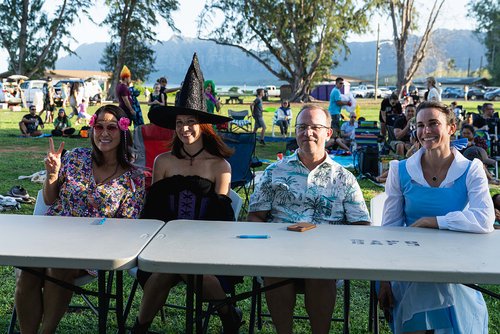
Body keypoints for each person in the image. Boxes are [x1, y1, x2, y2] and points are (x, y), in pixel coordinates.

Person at [132, 54, 242, 334]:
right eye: (179, 122)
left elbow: (221, 217)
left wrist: (194, 246)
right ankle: (139, 329)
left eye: (190, 121)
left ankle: (229, 314)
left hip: (207, 246)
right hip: (164, 244)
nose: (184, 128)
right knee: (162, 272)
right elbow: (154, 211)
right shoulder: (163, 162)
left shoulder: (221, 166)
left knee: (194, 272)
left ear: (203, 125)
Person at [15, 104, 145, 333]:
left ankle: (47, 331)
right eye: (99, 126)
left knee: (59, 267)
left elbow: (128, 225)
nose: (104, 133)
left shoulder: (133, 177)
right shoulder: (76, 157)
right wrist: (53, 174)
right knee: (28, 269)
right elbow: (50, 199)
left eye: (112, 128)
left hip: (94, 246)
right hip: (53, 234)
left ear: (123, 131)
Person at [248, 105, 370, 334]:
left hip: (327, 255)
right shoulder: (275, 171)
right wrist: (266, 244)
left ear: (328, 133)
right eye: (302, 127)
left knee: (321, 270)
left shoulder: (344, 178)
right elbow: (255, 215)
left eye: (315, 127)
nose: (308, 133)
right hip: (279, 252)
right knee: (275, 270)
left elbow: (361, 225)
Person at [378, 101, 494, 334]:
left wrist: (434, 221)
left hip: (455, 263)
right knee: (427, 284)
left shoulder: (471, 170)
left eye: (434, 123)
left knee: (439, 284)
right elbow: (389, 229)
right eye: (420, 125)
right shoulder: (400, 170)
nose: (426, 131)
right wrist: (384, 280)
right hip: (409, 263)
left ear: (451, 128)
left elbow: (484, 218)